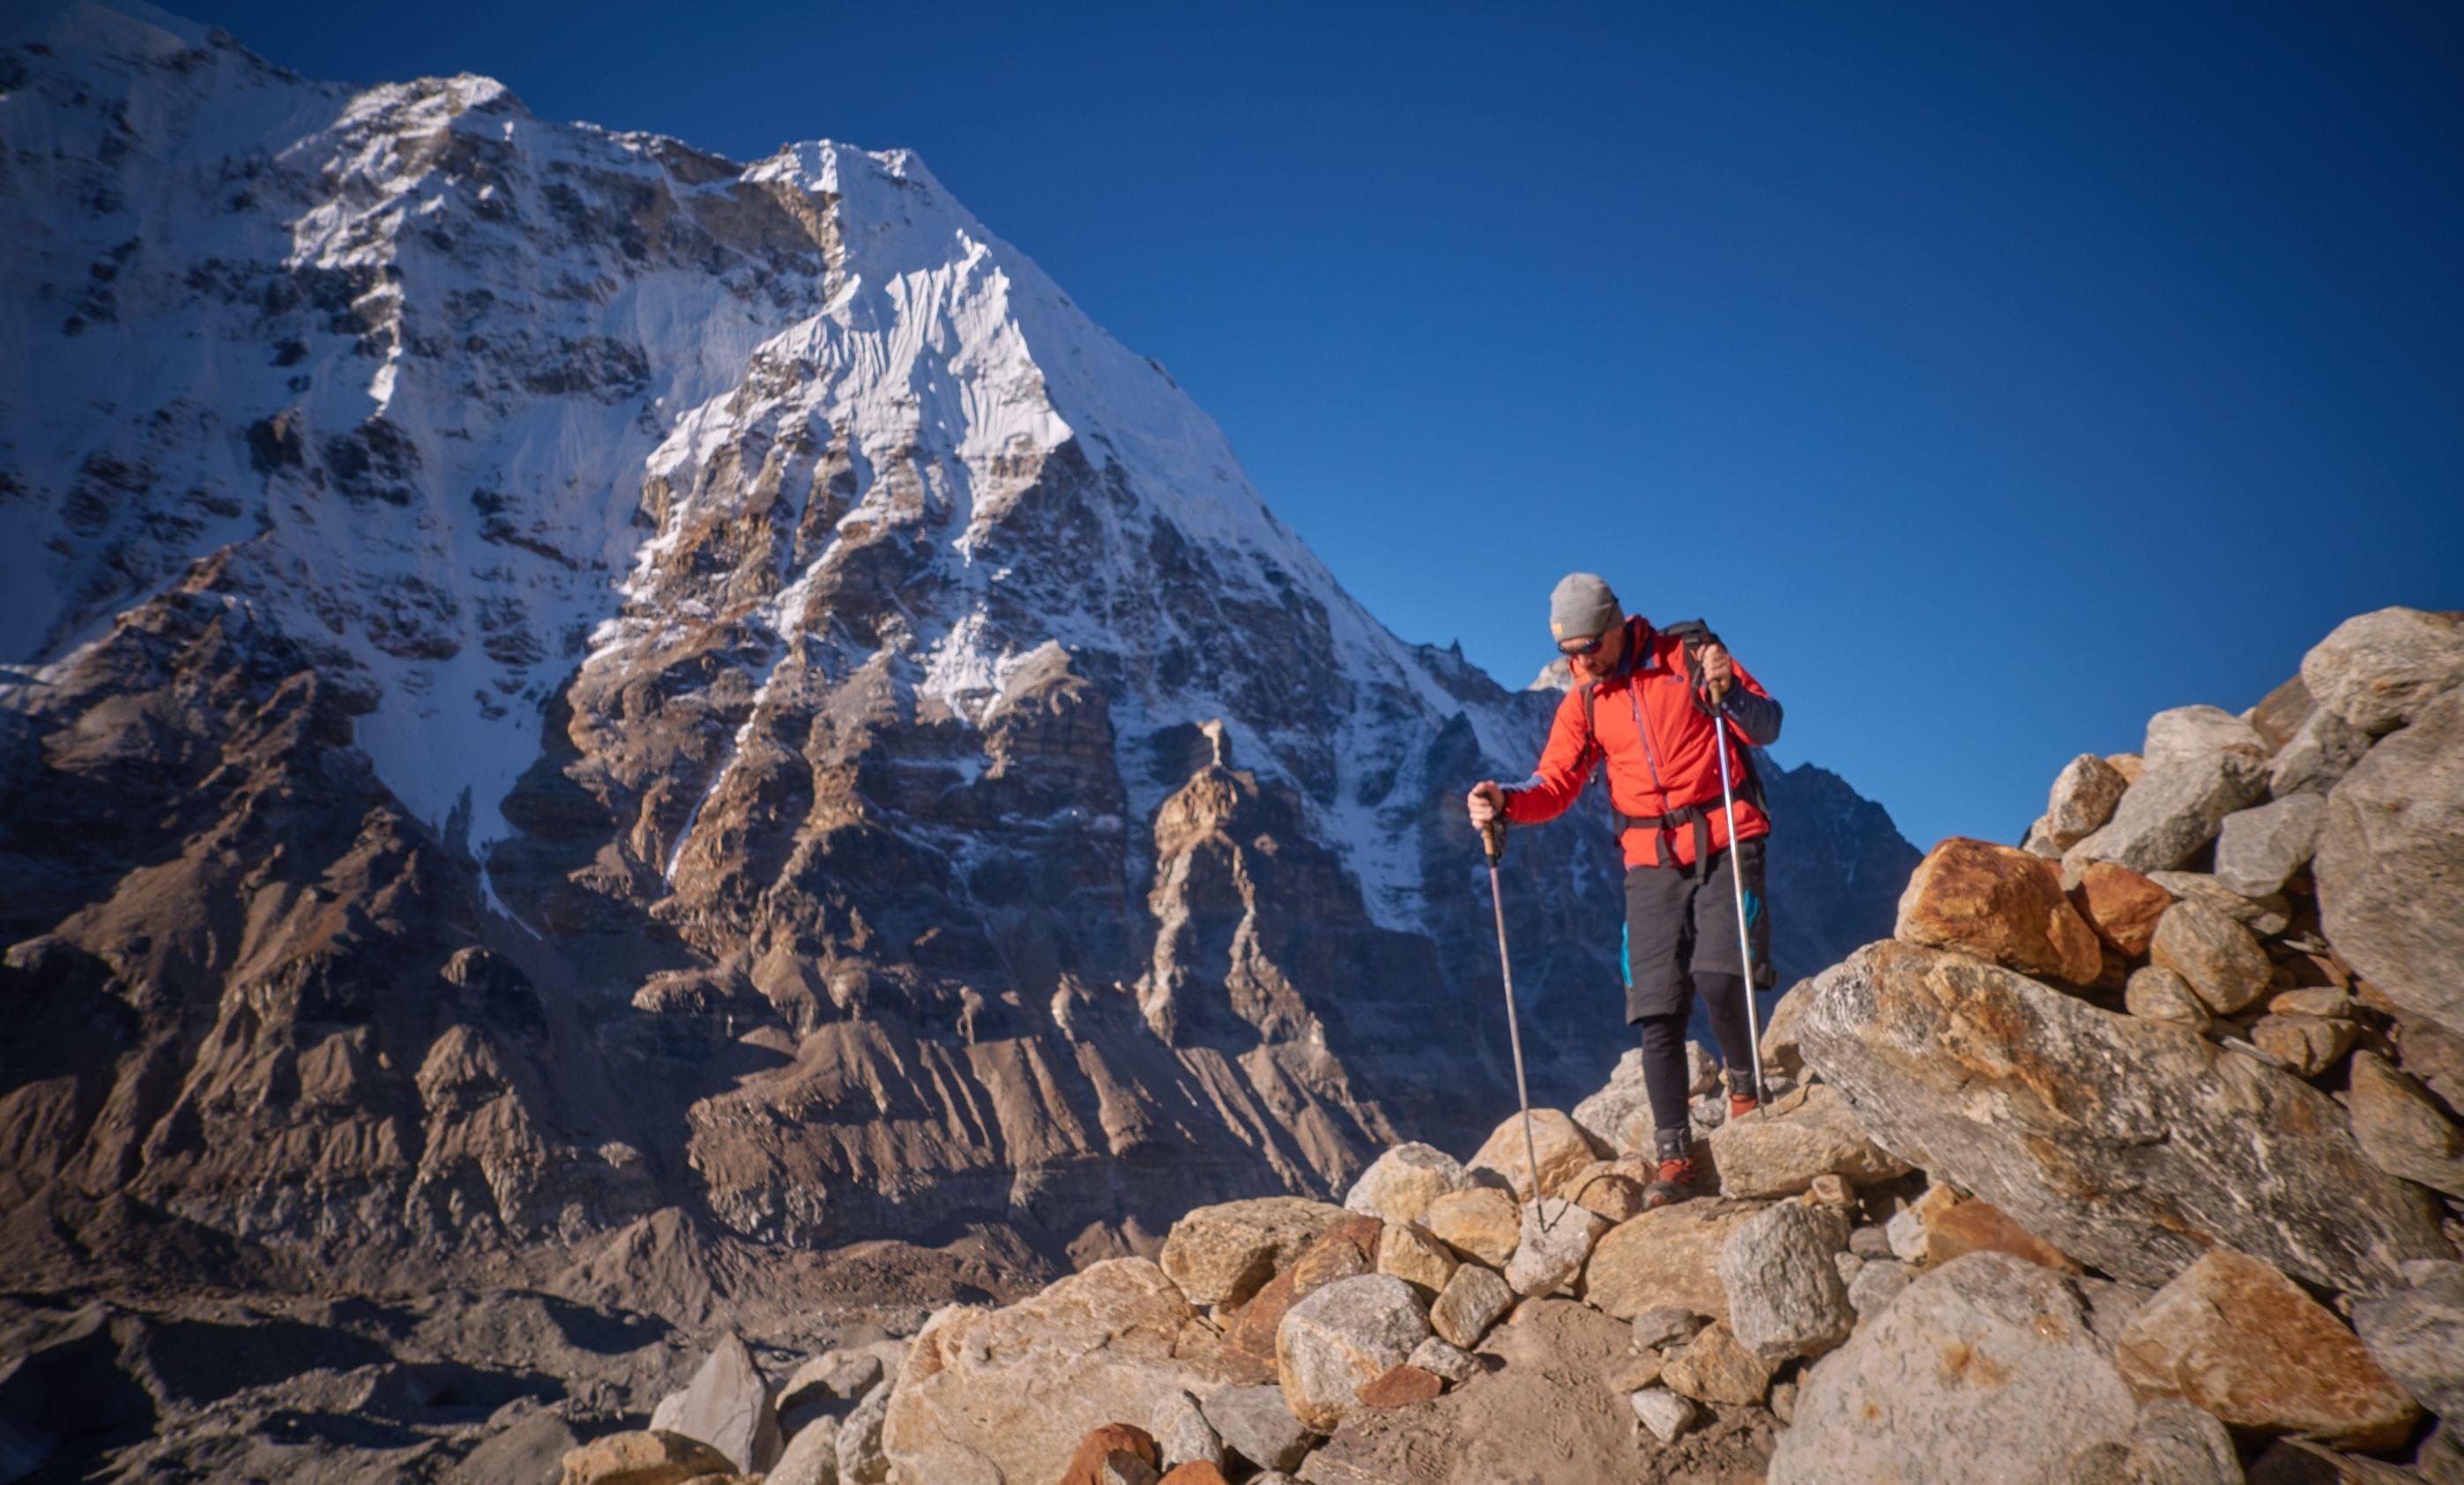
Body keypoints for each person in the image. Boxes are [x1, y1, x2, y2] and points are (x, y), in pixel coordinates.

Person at [1466, 572, 1782, 1207]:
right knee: (1655, 1009)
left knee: (1723, 977)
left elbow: (1765, 724)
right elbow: (1552, 785)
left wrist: (1726, 690)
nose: (1579, 662)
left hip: (1724, 835)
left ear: (1616, 625)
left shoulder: (1688, 655)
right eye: (1568, 654)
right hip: (1649, 859)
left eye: (1588, 647)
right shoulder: (1582, 703)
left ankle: (1745, 1096)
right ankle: (1674, 1160)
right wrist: (1503, 803)